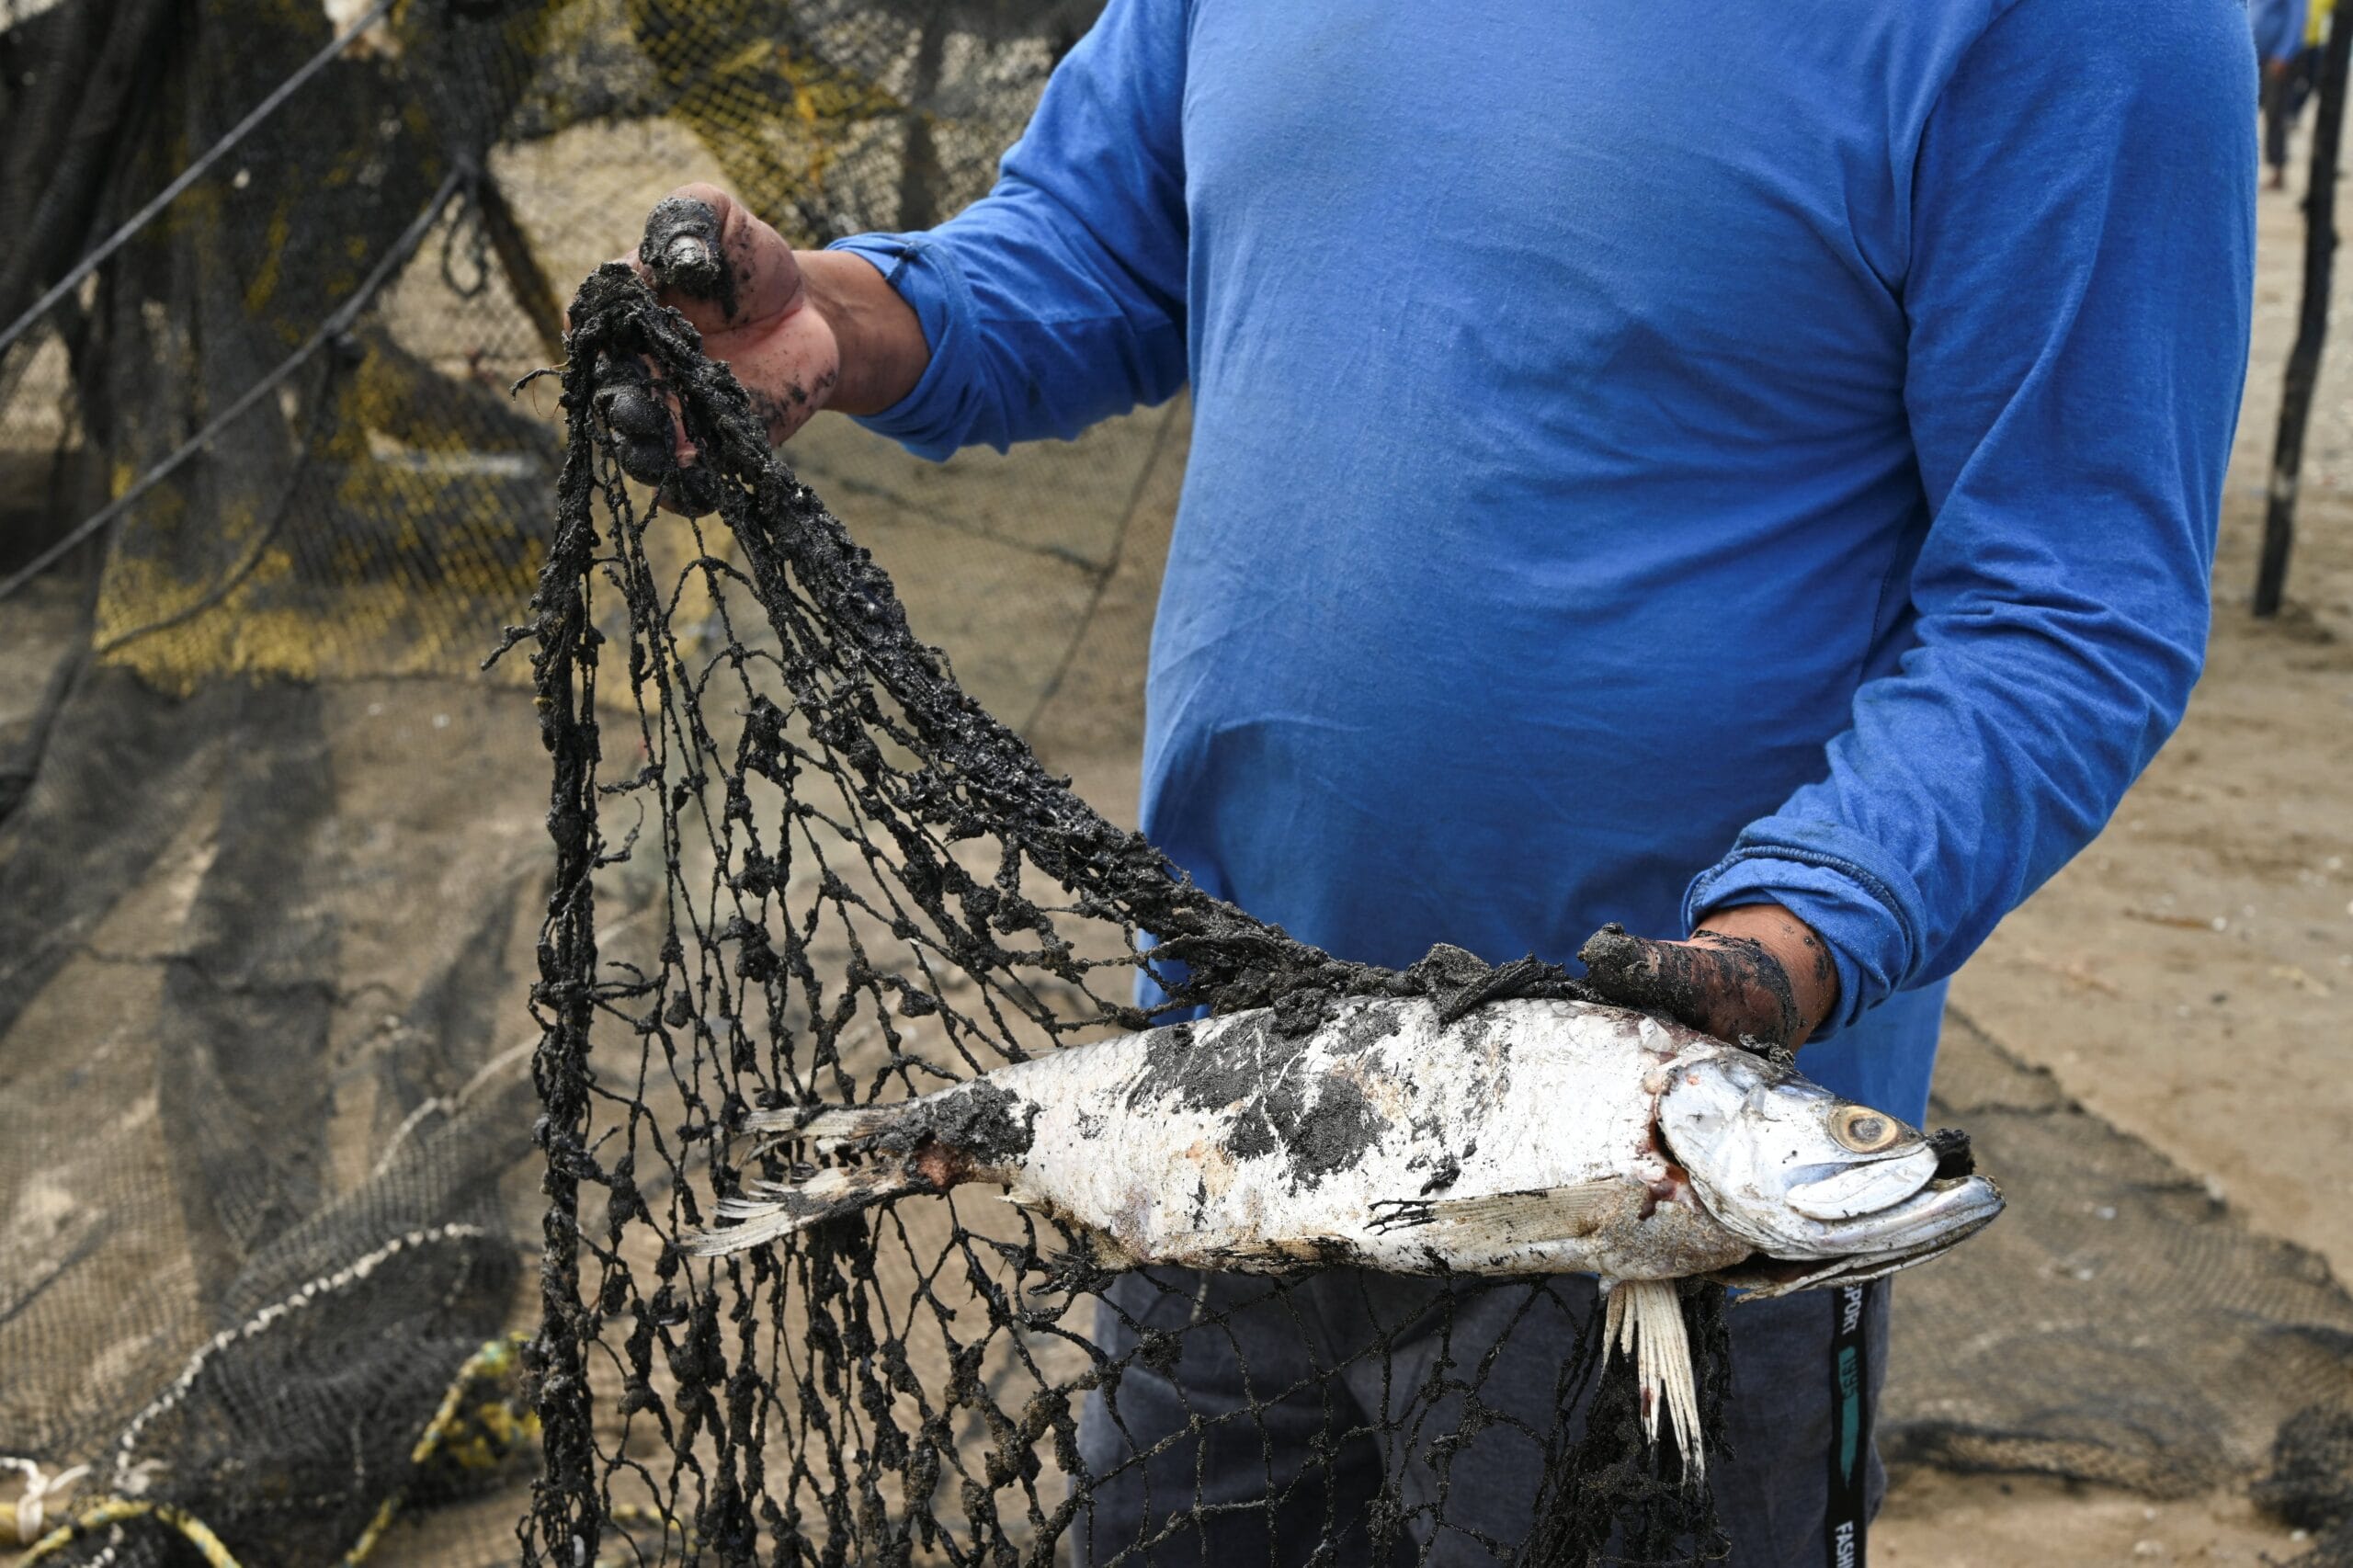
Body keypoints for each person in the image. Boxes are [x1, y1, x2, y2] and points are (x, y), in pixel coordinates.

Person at [630, 0, 2254, 1560]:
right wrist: (839, 323)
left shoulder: (2082, 20)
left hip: (1652, 1197)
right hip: (1233, 1105)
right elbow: (1098, 251)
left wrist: (1799, 933)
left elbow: (2068, 595)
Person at [2256, 0, 2322, 188]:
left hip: (2276, 60)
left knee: (2275, 115)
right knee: (2244, 115)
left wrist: (2284, 54)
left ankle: (2278, 170)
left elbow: (2298, 18)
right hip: (2255, 55)